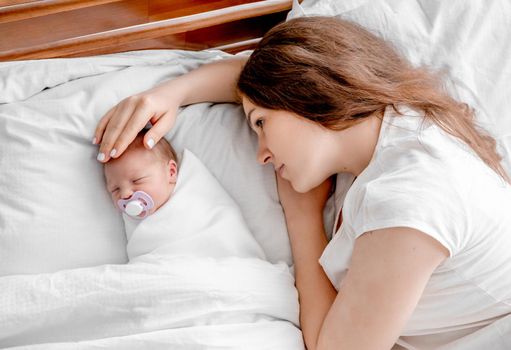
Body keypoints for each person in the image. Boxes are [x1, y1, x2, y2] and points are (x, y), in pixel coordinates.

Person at [93, 16, 511, 350]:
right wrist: (171, 94)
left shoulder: (411, 200)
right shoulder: (396, 117)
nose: (261, 154)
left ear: (306, 92)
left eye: (260, 124)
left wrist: (303, 217)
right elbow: (251, 75)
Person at [103, 130, 178, 219]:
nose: (124, 195)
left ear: (171, 172)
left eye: (137, 180)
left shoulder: (190, 193)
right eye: (115, 189)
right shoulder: (132, 222)